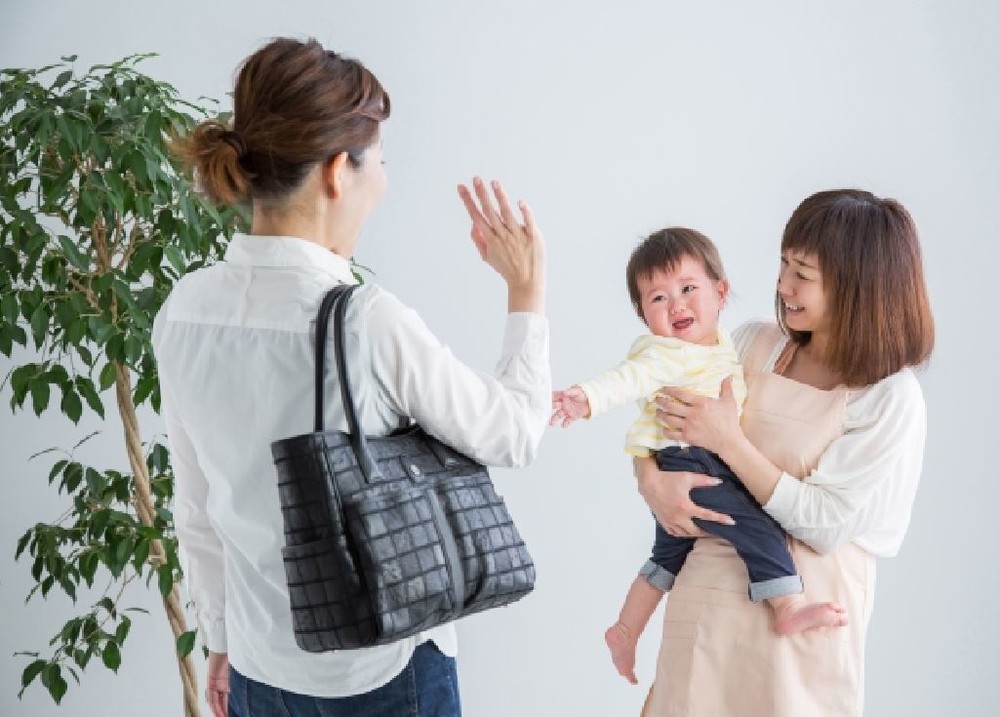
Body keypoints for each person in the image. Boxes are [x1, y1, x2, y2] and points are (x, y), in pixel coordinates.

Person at [154, 37, 550, 717]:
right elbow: (512, 433)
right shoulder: (366, 321)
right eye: (381, 161)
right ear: (339, 171)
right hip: (383, 668)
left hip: (257, 665)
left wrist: (219, 637)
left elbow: (196, 509)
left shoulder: (184, 311)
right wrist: (528, 293)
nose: (384, 182)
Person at [634, 189, 933, 716]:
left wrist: (729, 442)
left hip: (801, 617)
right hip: (706, 600)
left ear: (858, 286)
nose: (783, 285)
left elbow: (824, 524)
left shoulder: (889, 397)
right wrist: (649, 479)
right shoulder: (752, 344)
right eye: (784, 264)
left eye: (803, 274)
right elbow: (663, 418)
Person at [550, 227, 845, 686]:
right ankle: (787, 605)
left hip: (691, 458)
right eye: (658, 298)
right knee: (756, 522)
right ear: (643, 315)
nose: (677, 306)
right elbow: (626, 379)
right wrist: (585, 399)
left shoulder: (725, 344)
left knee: (669, 552)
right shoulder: (666, 354)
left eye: (688, 289)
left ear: (720, 293)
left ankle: (625, 630)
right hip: (692, 460)